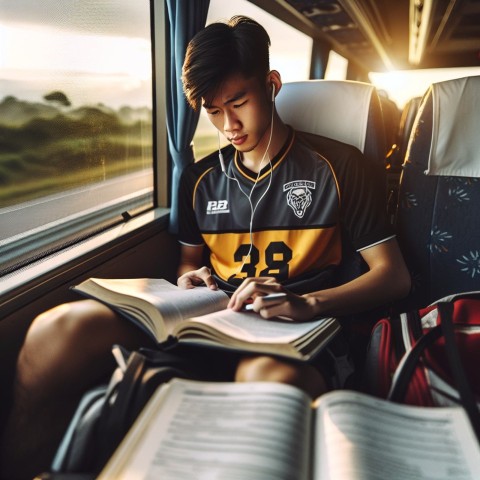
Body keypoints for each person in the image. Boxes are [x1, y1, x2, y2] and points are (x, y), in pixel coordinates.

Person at [0, 15, 411, 479]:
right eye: (213, 112)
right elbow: (190, 265)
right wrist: (186, 280)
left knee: (262, 386)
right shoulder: (200, 180)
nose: (228, 125)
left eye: (239, 103)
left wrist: (306, 302)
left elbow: (393, 276)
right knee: (55, 332)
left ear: (272, 85)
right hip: (214, 321)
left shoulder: (340, 166)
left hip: (296, 330)